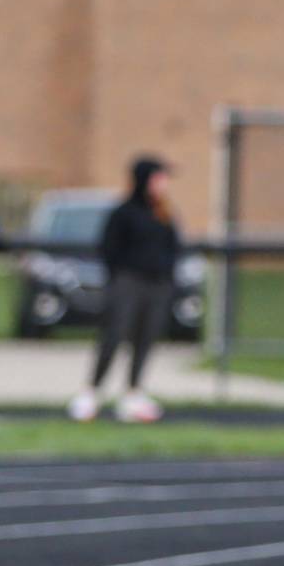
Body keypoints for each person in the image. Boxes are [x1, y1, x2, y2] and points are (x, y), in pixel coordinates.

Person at [67, 156, 180, 423]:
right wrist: (121, 277)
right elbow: (109, 249)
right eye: (159, 178)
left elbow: (173, 247)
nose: (163, 184)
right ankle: (91, 392)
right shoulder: (124, 212)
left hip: (157, 285)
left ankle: (133, 393)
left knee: (146, 339)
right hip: (128, 282)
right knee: (114, 335)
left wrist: (166, 276)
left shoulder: (164, 212)